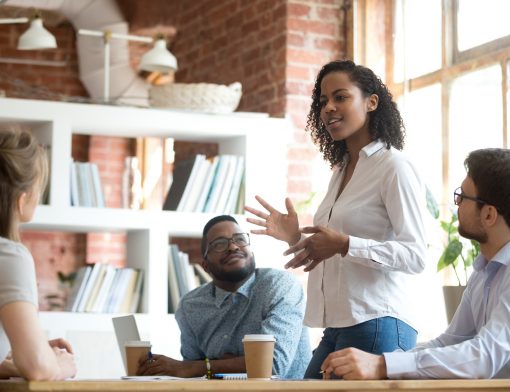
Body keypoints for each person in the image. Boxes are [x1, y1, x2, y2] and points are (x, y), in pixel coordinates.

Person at [245, 59, 428, 378]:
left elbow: (415, 256)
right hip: (339, 325)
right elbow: (336, 250)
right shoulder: (341, 171)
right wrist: (294, 239)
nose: (328, 108)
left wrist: (344, 244)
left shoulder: (393, 167)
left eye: (340, 97)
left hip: (379, 322)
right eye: (322, 101)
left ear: (371, 102)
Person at [321, 148, 510, 379]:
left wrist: (384, 366)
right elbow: (450, 342)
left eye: (463, 197)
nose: (456, 203)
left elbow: (484, 357)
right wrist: (385, 362)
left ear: (489, 215)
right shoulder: (483, 272)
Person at [137, 215, 311, 379]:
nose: (233, 247)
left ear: (252, 252)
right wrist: (227, 364)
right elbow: (193, 376)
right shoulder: (190, 306)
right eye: (219, 244)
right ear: (205, 265)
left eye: (240, 240)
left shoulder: (279, 285)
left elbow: (271, 365)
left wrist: (204, 366)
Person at [0, 127, 76, 380]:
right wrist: (63, 366)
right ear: (21, 201)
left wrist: (15, 361)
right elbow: (38, 368)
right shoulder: (10, 256)